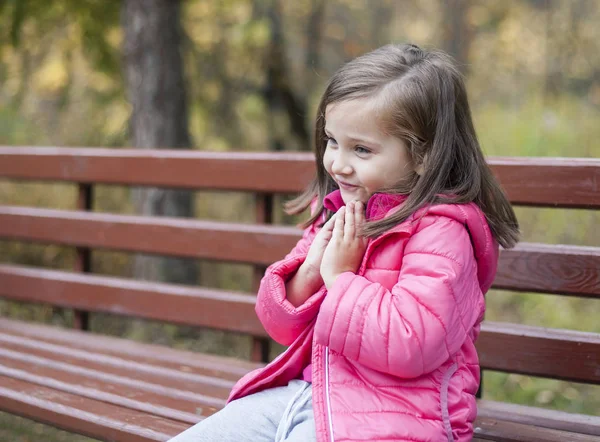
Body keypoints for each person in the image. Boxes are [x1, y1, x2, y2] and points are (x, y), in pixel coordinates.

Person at [169, 42, 519, 442]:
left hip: (395, 416)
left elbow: (412, 344)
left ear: (424, 155)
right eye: (332, 141)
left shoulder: (443, 232)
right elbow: (279, 326)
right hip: (306, 395)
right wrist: (311, 272)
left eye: (361, 149)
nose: (337, 163)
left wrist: (340, 277)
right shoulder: (340, 209)